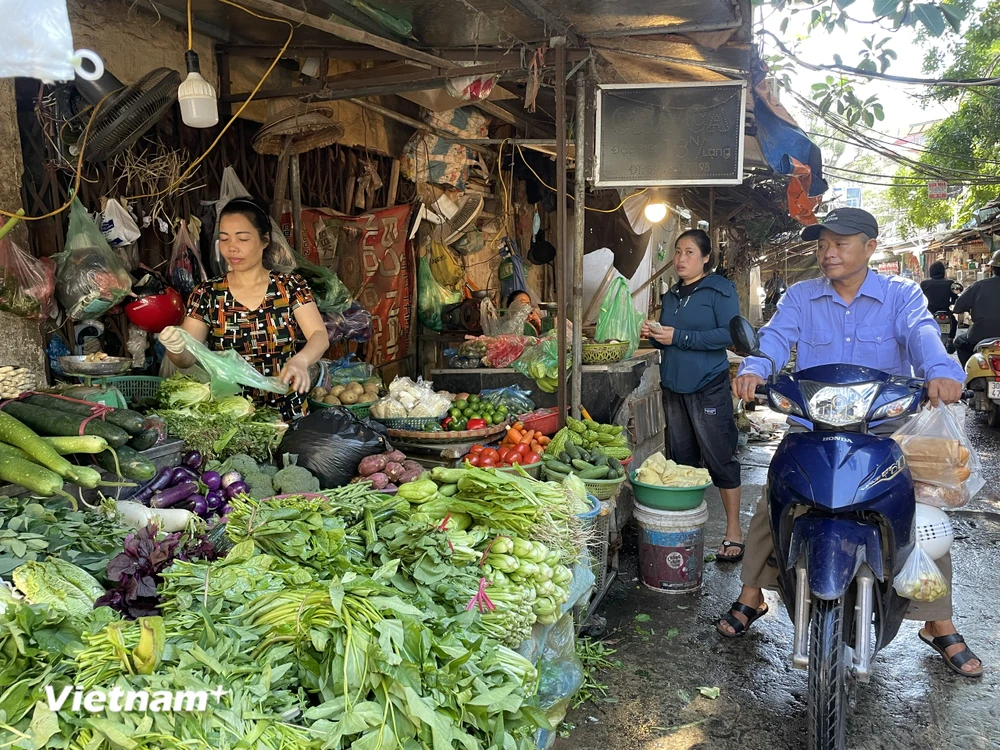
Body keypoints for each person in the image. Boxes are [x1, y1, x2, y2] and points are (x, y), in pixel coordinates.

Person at [720, 208, 982, 678]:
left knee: (921, 510)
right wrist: (757, 366)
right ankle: (753, 593)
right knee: (775, 493)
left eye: (840, 243)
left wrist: (941, 371)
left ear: (870, 248)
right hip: (814, 425)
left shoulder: (901, 295)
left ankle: (938, 621)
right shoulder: (801, 296)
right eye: (822, 244)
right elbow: (777, 338)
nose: (828, 252)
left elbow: (924, 336)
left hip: (884, 427)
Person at [159, 197, 330, 420]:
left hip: (288, 414)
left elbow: (319, 335)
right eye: (224, 239)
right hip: (231, 417)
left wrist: (301, 360)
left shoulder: (289, 286)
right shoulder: (208, 293)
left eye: (242, 238)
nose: (232, 248)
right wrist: (176, 346)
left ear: (265, 240)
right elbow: (187, 359)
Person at [640, 230, 744, 561]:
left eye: (689, 252)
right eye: (677, 251)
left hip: (708, 385)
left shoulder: (719, 290)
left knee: (719, 457)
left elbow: (729, 334)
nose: (681, 258)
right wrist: (655, 335)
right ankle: (686, 530)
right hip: (674, 387)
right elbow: (672, 339)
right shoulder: (671, 296)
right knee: (681, 461)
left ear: (705, 258)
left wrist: (679, 336)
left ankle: (733, 531)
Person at [952, 250, 1000, 367]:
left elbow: (958, 307)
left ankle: (969, 375)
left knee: (960, 342)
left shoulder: (980, 285)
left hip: (981, 335)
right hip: (981, 336)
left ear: (993, 268)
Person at [920, 261, 959, 340]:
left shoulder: (924, 284)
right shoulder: (950, 283)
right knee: (954, 322)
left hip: (930, 313)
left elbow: (920, 299)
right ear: (943, 271)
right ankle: (950, 340)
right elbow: (955, 298)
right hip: (946, 312)